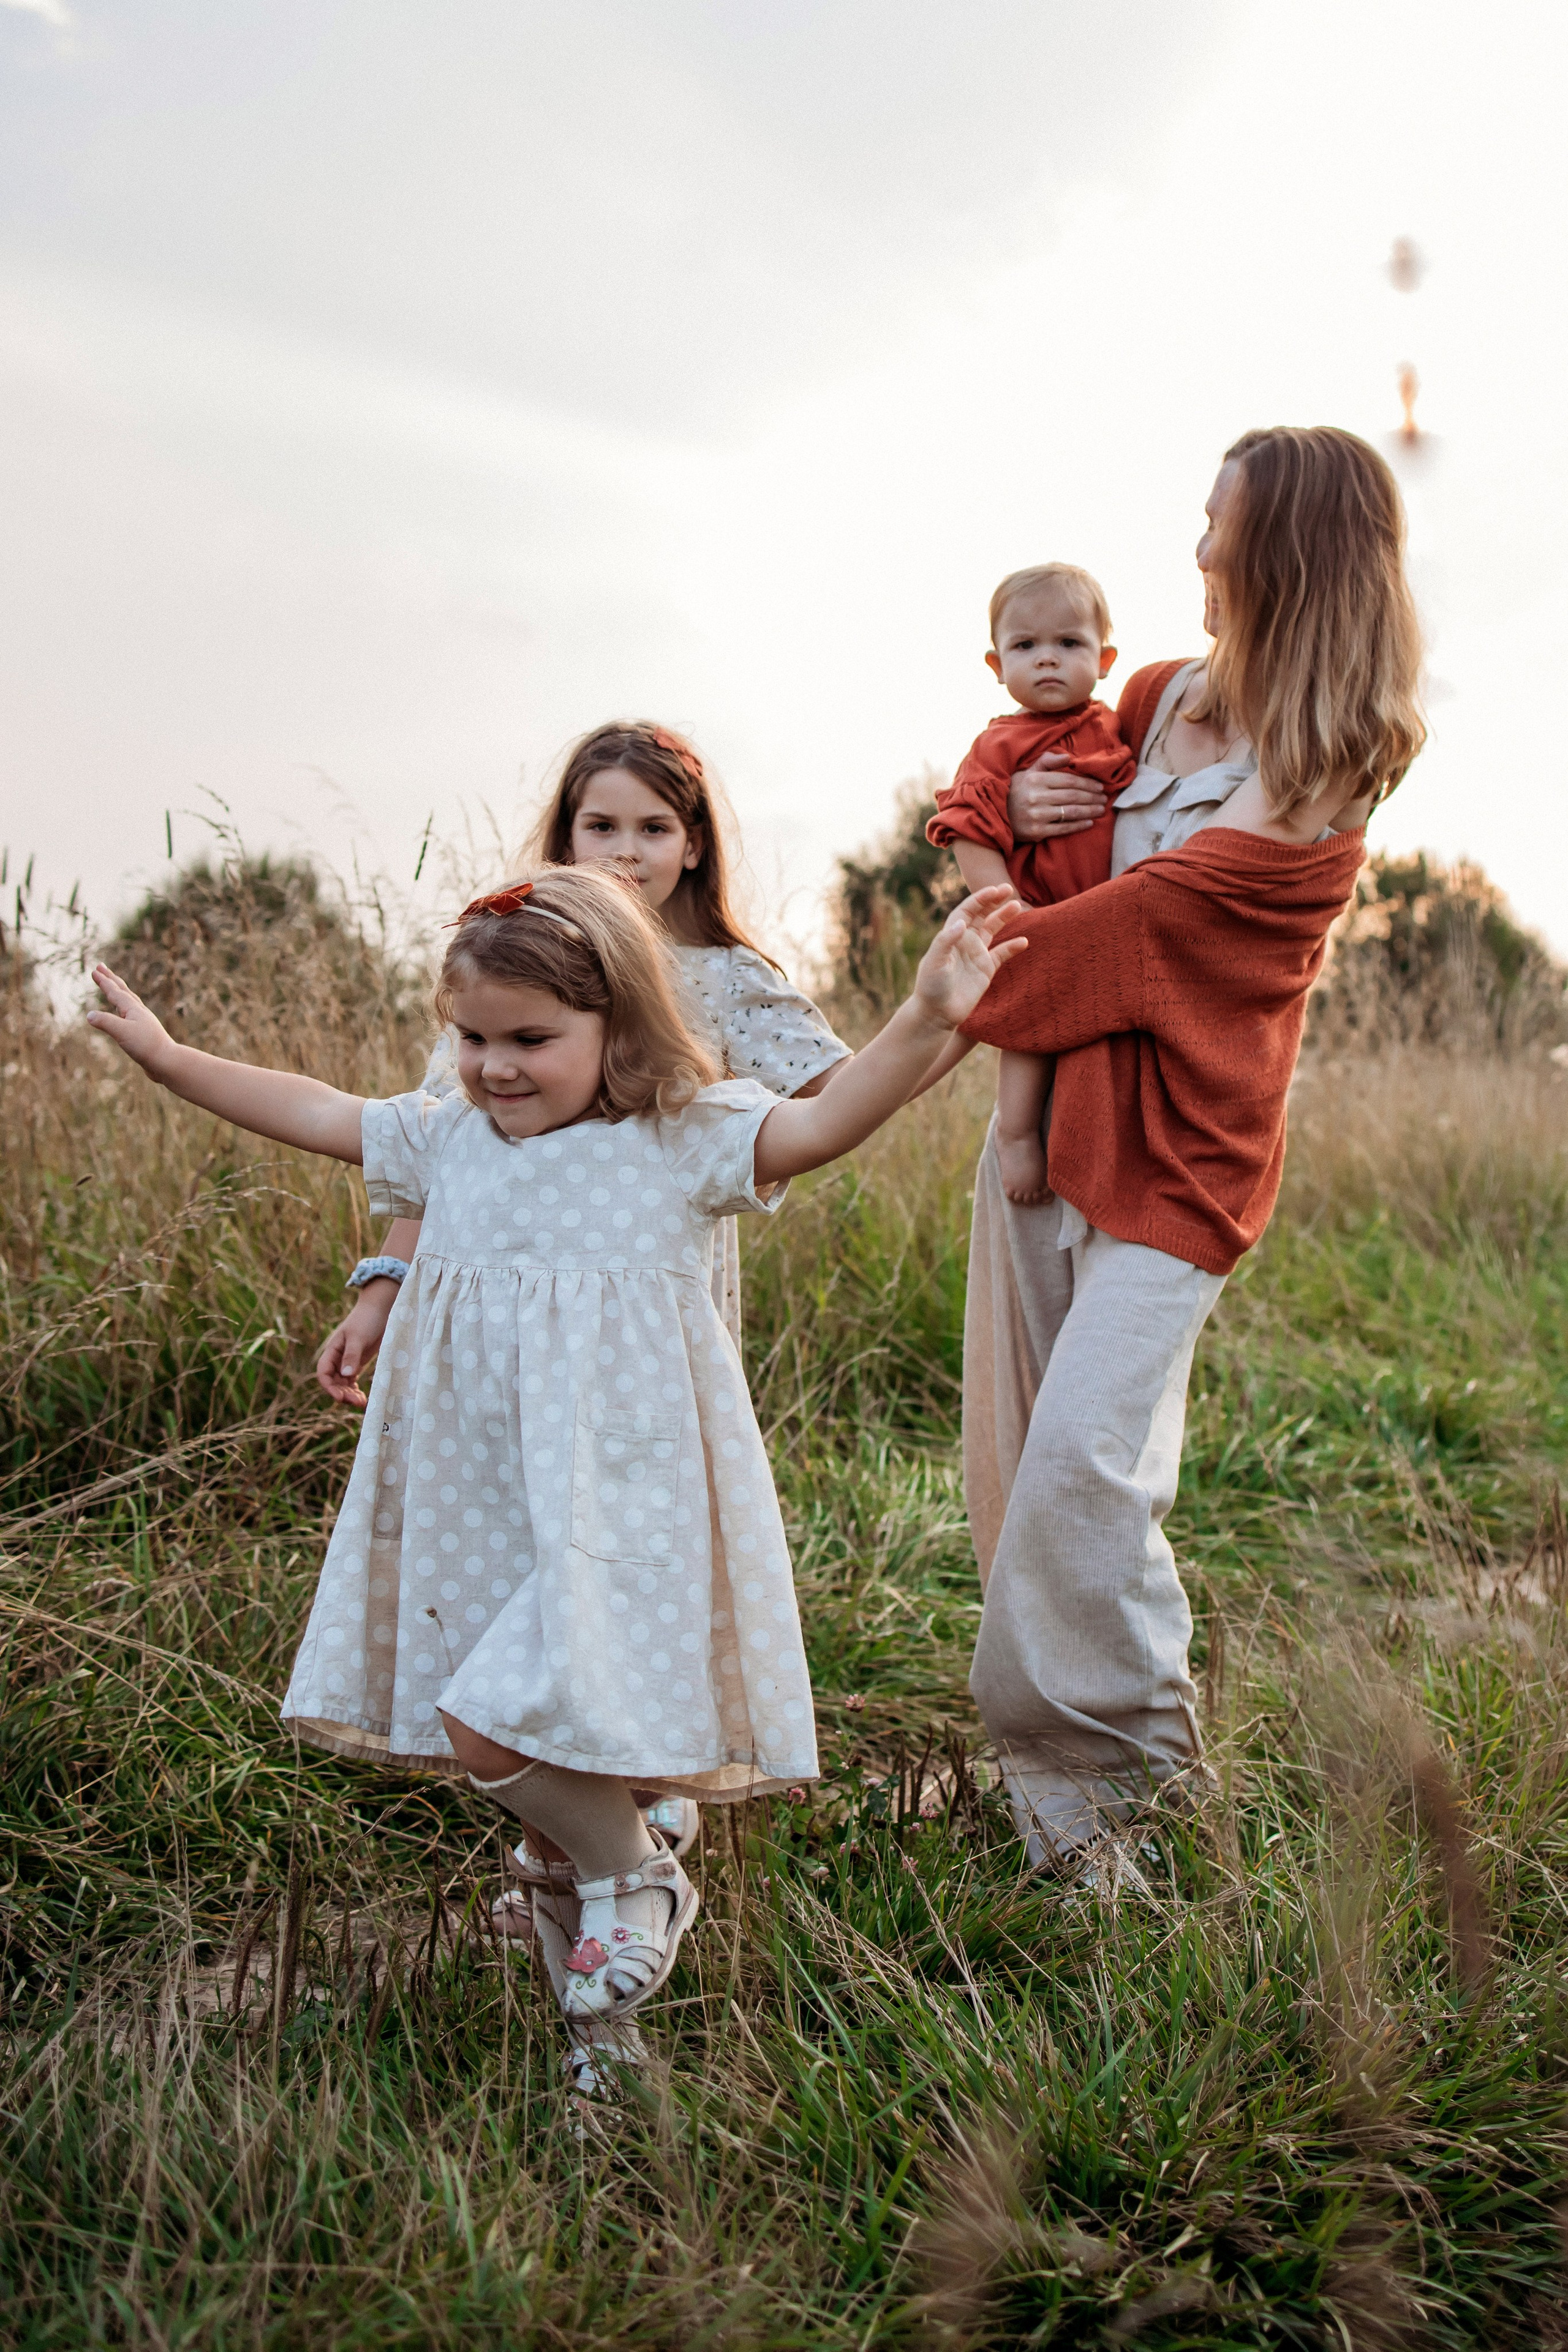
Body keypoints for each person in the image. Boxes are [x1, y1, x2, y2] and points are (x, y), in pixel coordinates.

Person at [88, 861, 1024, 2084]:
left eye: (532, 1038)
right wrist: (168, 1057)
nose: (496, 1067)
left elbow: (825, 1125)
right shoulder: (451, 1143)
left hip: (622, 1500)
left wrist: (926, 1017)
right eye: (471, 1038)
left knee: (492, 1732)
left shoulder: (678, 1139)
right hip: (482, 1505)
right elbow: (313, 1109)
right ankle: (603, 2054)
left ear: (618, 1024)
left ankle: (635, 1869)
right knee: (536, 1794)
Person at [951, 426, 1425, 1877]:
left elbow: (1150, 929)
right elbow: (1024, 824)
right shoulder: (1145, 697)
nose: (1198, 552)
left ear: (1280, 551)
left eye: (1217, 527)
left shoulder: (1333, 753)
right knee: (1024, 1456)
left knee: (1083, 1472)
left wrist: (972, 965)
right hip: (1048, 1125)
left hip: (1187, 1155)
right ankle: (1061, 1820)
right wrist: (1008, 809)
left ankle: (1138, 1789)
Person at [314, 722, 850, 1871]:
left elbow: (830, 1097)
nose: (623, 848)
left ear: (695, 844)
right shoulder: (512, 967)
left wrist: (717, 1124)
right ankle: (582, 1830)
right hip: (508, 1306)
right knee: (536, 1542)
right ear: (561, 835)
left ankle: (640, 1792)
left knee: (632, 1535)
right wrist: (385, 1283)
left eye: (652, 827)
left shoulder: (723, 979)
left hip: (646, 1291)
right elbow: (446, 1158)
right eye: (598, 824)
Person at [925, 562, 1136, 1205]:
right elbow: (967, 825)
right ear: (996, 665)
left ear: (1104, 659)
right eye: (1025, 646)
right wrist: (1004, 908)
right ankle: (1017, 1134)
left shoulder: (1118, 727)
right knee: (1029, 1030)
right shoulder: (999, 745)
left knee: (1091, 1040)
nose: (1047, 660)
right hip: (1037, 916)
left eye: (1068, 644)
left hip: (1104, 921)